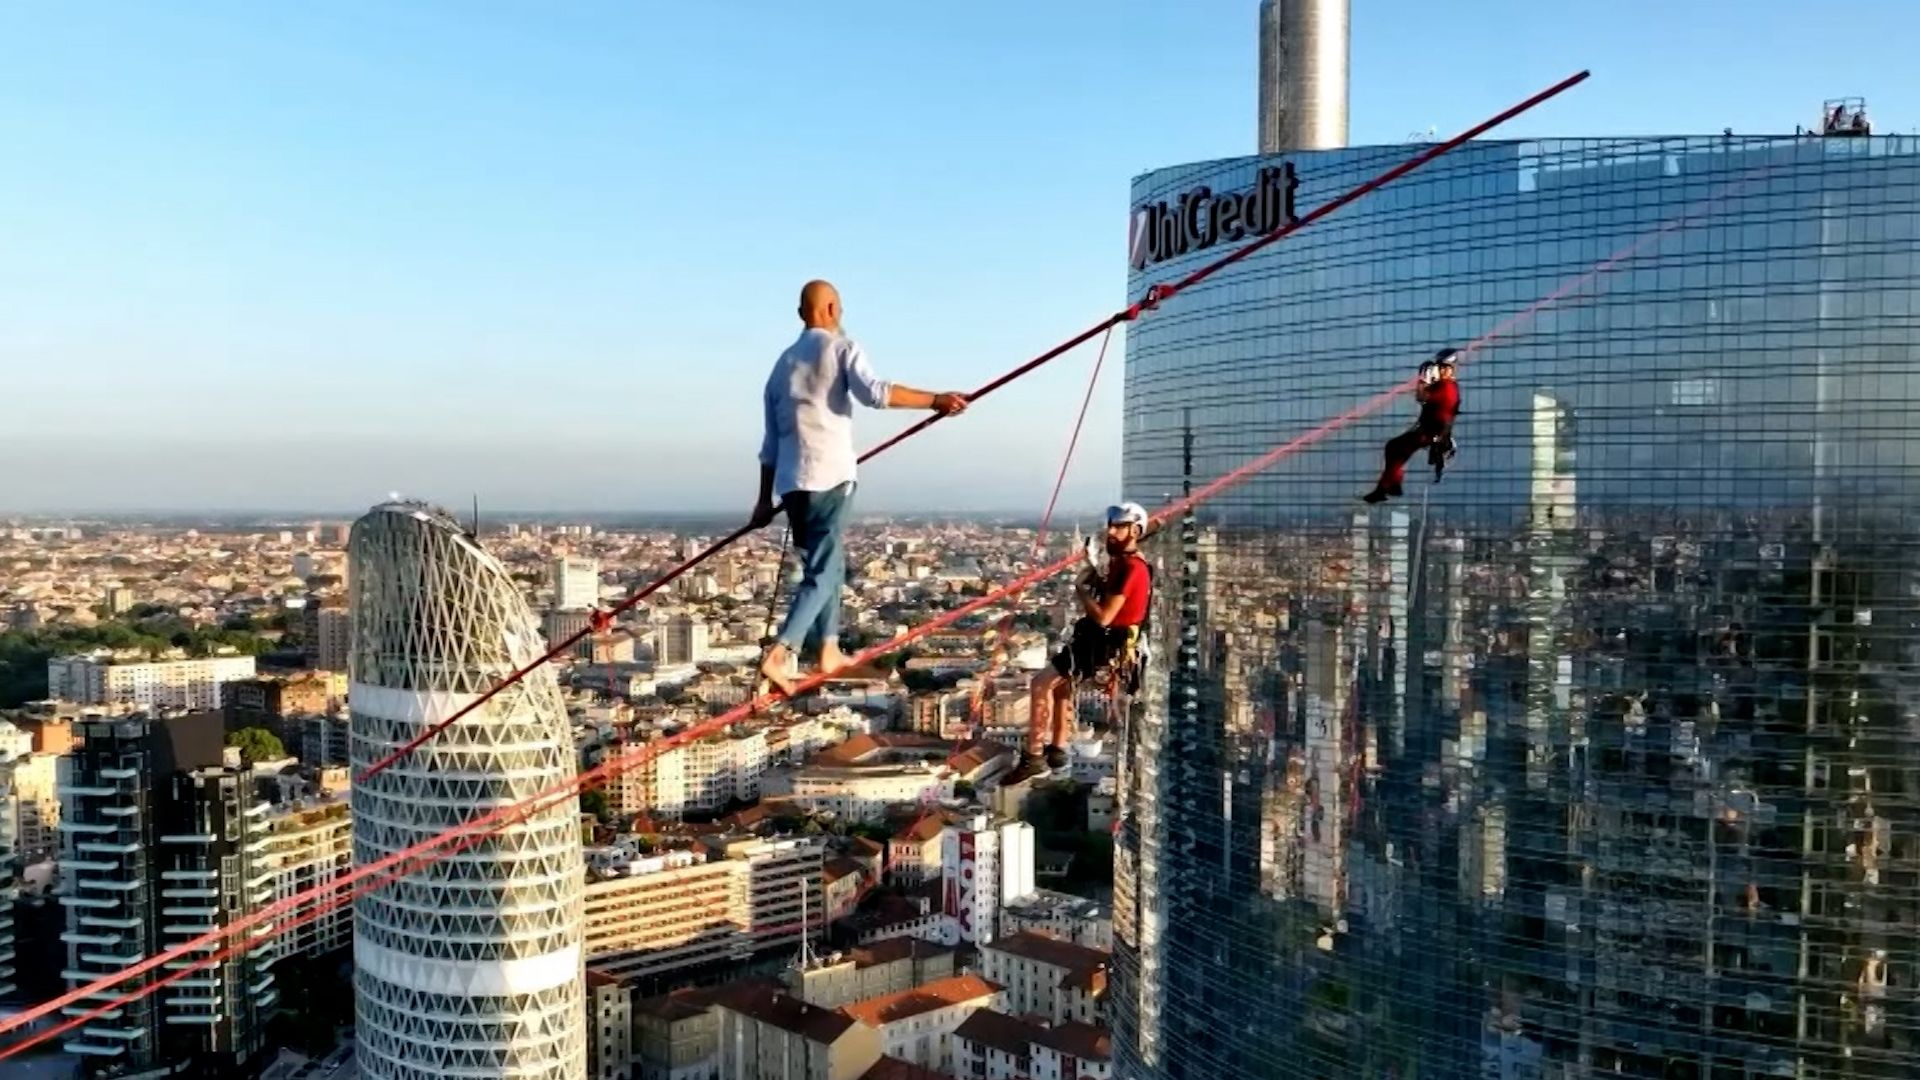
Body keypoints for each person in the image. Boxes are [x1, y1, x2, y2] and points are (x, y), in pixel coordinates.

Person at [752, 280, 969, 695]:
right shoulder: (841, 347)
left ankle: (828, 648)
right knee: (822, 571)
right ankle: (781, 653)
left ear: (801, 314)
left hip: (791, 486)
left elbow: (769, 446)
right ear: (834, 308)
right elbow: (876, 393)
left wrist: (763, 500)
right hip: (830, 478)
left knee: (828, 567)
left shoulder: (780, 367)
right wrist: (936, 400)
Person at [1025, 501, 1154, 770]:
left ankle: (1033, 755)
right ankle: (1057, 750)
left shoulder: (1131, 568)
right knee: (1061, 686)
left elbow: (1105, 616)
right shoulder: (1127, 564)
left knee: (1040, 683)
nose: (1111, 532)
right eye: (1111, 526)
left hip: (1105, 642)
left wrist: (1081, 589)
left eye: (1119, 527)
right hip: (1105, 641)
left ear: (1134, 530)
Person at [1362, 347, 1462, 504]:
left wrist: (1423, 380)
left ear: (1452, 369)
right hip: (1428, 431)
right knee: (1395, 451)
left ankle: (1388, 487)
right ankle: (1390, 487)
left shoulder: (1447, 388)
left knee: (1394, 448)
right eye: (1439, 367)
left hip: (1430, 433)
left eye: (1444, 368)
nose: (1440, 371)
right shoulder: (1444, 385)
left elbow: (1421, 397)